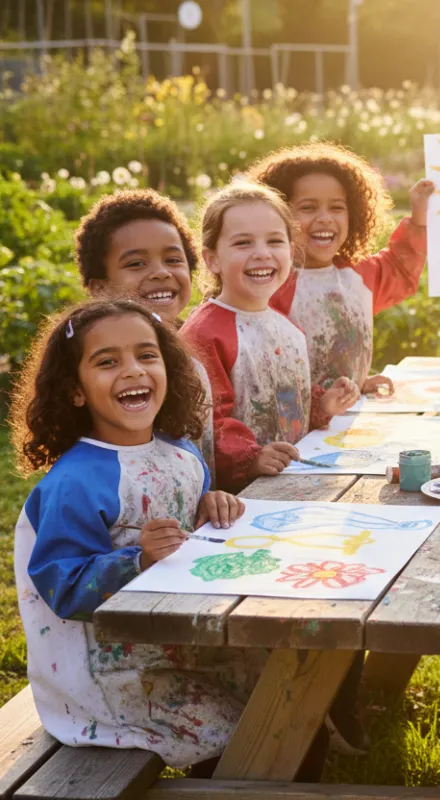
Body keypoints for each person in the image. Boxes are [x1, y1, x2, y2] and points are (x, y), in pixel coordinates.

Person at [9, 299, 263, 768]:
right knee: (241, 729)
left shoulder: (180, 452)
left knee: (273, 689)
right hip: (108, 675)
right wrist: (137, 560)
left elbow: (190, 513)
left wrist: (212, 503)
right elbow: (64, 588)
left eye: (147, 355)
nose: (132, 370)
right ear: (76, 390)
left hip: (180, 639)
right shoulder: (74, 483)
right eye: (107, 362)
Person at [180, 181, 360, 492]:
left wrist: (321, 404)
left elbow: (284, 400)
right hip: (238, 499)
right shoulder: (203, 335)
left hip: (290, 483)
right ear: (212, 259)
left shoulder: (287, 328)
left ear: (291, 250)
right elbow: (207, 423)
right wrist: (250, 458)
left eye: (275, 241)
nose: (262, 254)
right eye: (243, 243)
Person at [247, 143, 432, 393]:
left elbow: (399, 268)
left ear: (353, 214)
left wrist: (419, 217)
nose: (325, 218)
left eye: (336, 208)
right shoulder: (269, 283)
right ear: (276, 215)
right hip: (297, 415)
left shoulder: (358, 274)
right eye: (308, 208)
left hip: (348, 414)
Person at [74, 189, 216, 478]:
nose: (161, 272)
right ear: (100, 288)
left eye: (173, 260)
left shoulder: (191, 351)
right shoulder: (102, 366)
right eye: (136, 264)